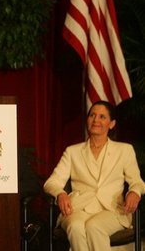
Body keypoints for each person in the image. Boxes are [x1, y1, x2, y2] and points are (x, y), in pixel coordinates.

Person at [43, 100, 145, 251]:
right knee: (76, 227)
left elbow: (137, 182)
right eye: (92, 115)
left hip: (112, 210)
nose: (96, 120)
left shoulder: (124, 150)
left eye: (102, 117)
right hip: (78, 209)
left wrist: (134, 192)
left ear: (112, 124)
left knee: (94, 226)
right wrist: (60, 193)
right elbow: (51, 182)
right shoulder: (73, 152)